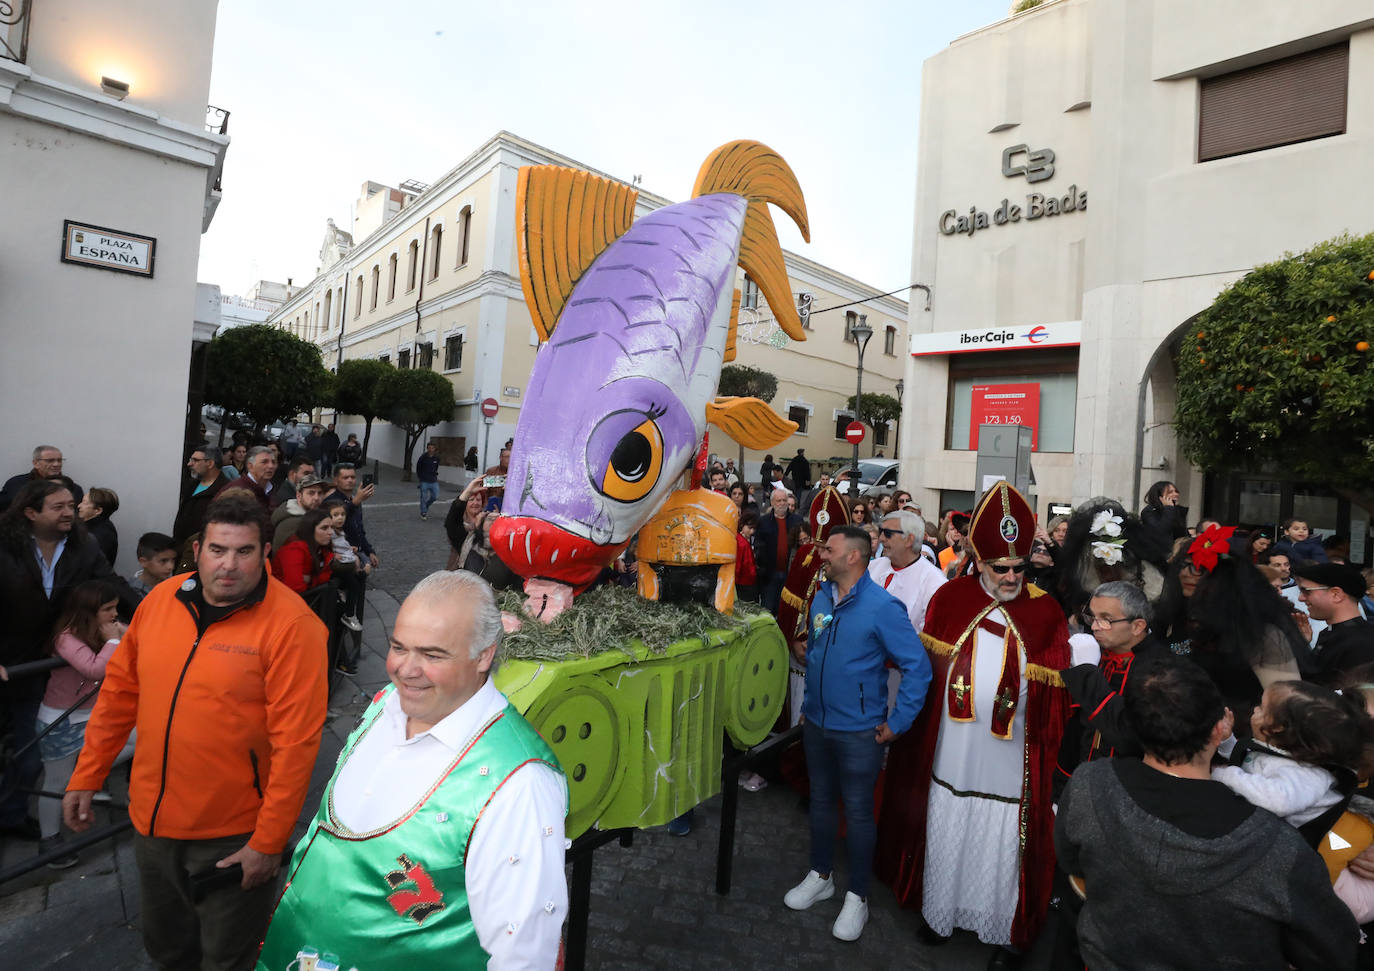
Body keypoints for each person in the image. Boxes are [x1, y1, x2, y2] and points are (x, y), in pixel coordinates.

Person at [64, 492, 328, 971]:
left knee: (226, 960)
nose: (228, 565)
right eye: (217, 549)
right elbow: (120, 694)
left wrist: (268, 843)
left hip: (231, 836)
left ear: (264, 553)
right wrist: (87, 774)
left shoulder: (293, 626)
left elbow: (297, 744)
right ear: (198, 549)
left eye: (244, 551)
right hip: (151, 823)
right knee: (166, 952)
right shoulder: (162, 599)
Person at [255, 571, 568, 969]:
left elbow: (523, 953)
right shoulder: (386, 703)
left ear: (484, 655)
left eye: (432, 654)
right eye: (398, 647)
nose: (406, 670)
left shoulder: (518, 783)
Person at [1055, 654, 1358, 970]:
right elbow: (1332, 949)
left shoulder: (1089, 784)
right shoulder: (1279, 848)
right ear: (1218, 730)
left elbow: (1073, 864)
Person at [875, 482, 1070, 967]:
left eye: (1018, 567)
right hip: (951, 749)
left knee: (1000, 835)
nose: (1010, 576)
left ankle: (1000, 924)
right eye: (999, 567)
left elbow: (1055, 699)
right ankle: (940, 914)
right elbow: (924, 674)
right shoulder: (950, 600)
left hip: (1009, 756)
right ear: (978, 560)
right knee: (948, 819)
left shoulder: (1046, 612)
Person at [783, 526, 932, 942]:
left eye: (828, 549)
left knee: (860, 812)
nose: (820, 555)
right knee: (821, 802)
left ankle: (858, 896)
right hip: (816, 723)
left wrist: (897, 723)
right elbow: (817, 645)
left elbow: (917, 667)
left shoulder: (884, 607)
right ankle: (821, 874)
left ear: (853, 557)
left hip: (860, 732)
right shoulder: (821, 596)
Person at [0, 481, 136, 841]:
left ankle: (12, 817)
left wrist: (151, 619)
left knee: (29, 752)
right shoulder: (4, 542)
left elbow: (112, 583)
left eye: (72, 506)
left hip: (47, 664)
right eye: (58, 507)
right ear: (30, 513)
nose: (69, 512)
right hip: (9, 658)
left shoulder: (83, 543)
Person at [1154, 526, 1305, 727]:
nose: (1188, 573)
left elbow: (1287, 706)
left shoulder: (1259, 633)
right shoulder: (1178, 621)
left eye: (1202, 567)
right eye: (1185, 564)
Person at [35, 580, 135, 867]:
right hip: (61, 721)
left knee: (145, 739)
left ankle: (89, 771)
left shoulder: (104, 632)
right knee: (55, 783)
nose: (114, 614)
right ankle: (50, 840)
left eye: (115, 607)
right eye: (107, 609)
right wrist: (115, 640)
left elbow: (138, 641)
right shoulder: (65, 637)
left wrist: (121, 635)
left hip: (95, 716)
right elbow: (93, 668)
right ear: (86, 612)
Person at [1213, 680, 1371, 827]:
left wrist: (1225, 776)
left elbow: (1277, 801)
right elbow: (1252, 764)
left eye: (1262, 707)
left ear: (1278, 728)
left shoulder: (1308, 776)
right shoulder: (1283, 752)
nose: (1255, 709)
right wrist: (1227, 742)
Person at [1057, 581, 1167, 785]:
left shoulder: (1161, 669)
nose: (1095, 627)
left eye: (1106, 620)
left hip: (1126, 789)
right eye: (1092, 617)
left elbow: (1128, 736)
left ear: (1137, 626)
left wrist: (1087, 674)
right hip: (1077, 781)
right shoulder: (1093, 653)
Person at [1293, 562, 1374, 686]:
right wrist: (1302, 645)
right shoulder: (1330, 633)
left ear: (1336, 594)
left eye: (1306, 591)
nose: (1301, 598)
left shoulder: (1361, 643)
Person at [868, 509, 946, 636]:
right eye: (880, 532)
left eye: (888, 533)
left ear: (909, 540)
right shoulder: (872, 567)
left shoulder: (935, 582)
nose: (881, 538)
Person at [173, 446, 230, 564]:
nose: (189, 464)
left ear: (210, 463)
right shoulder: (192, 484)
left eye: (195, 460)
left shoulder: (226, 491)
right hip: (182, 550)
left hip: (204, 555)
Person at [754, 488, 802, 614]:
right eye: (778, 500)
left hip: (789, 574)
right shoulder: (763, 522)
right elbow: (758, 546)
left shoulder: (797, 521)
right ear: (772, 503)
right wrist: (762, 568)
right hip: (769, 575)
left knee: (786, 611)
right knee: (767, 610)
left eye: (784, 500)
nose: (782, 503)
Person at [0, 444, 83, 512]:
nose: (56, 464)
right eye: (50, 461)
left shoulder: (73, 489)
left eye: (59, 460)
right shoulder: (15, 484)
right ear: (35, 463)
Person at [272, 509, 336, 595]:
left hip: (307, 597)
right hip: (284, 599)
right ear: (310, 529)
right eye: (324, 528)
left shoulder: (322, 548)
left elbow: (326, 577)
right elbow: (295, 587)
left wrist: (310, 579)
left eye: (332, 527)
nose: (331, 532)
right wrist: (314, 580)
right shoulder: (293, 549)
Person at [270, 472, 327, 550]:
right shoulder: (293, 524)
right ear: (299, 496)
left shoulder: (310, 516)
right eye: (311, 493)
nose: (316, 498)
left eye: (320, 493)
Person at [219, 445, 277, 509]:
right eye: (264, 462)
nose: (271, 466)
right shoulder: (236, 489)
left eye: (273, 462)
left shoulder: (271, 489)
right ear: (250, 466)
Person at [77, 486, 120, 565]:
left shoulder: (102, 535)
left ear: (98, 510)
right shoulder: (86, 526)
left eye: (84, 503)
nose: (79, 506)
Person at [128, 532, 177, 599]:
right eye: (163, 561)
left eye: (173, 560)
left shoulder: (175, 587)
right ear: (143, 562)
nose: (171, 566)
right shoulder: (129, 591)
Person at [1139, 480, 1189, 546]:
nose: (1176, 494)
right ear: (1160, 496)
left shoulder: (1175, 510)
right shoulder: (1149, 511)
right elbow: (1161, 531)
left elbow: (1181, 534)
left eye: (1176, 491)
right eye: (1170, 492)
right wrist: (1169, 508)